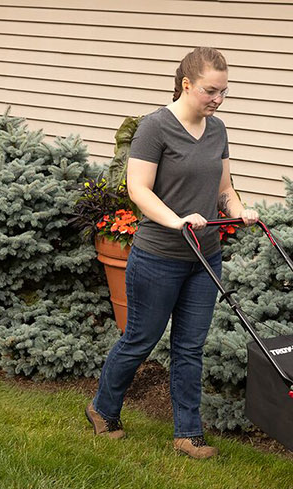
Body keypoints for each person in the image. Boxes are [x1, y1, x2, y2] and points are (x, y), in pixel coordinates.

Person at [86, 47, 258, 459]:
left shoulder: (217, 130)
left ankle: (188, 434)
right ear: (186, 84)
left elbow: (224, 189)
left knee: (189, 347)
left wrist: (239, 210)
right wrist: (176, 220)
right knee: (140, 339)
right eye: (210, 91)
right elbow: (138, 189)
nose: (218, 99)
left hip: (204, 257)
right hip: (158, 256)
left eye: (224, 92)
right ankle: (103, 409)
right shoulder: (155, 127)